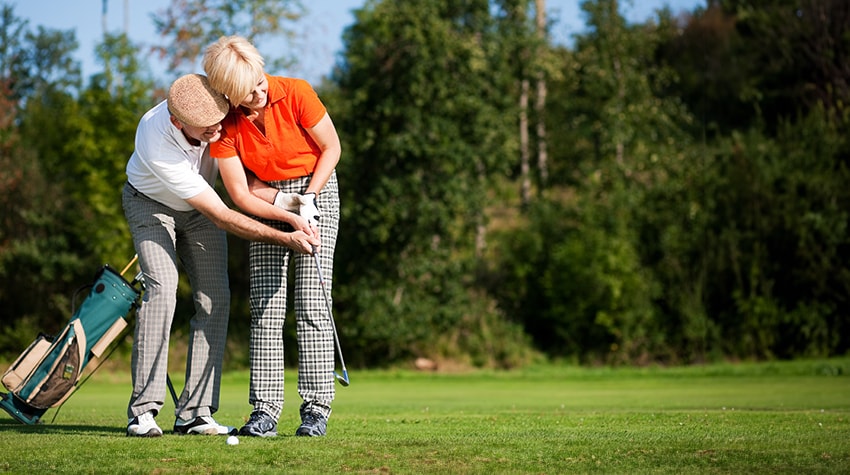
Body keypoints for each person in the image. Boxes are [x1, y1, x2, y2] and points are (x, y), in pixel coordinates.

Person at [123, 73, 320, 438]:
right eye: (206, 127)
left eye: (219, 119)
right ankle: (143, 412)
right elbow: (224, 214)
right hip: (150, 205)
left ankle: (195, 414)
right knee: (163, 291)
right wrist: (284, 236)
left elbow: (247, 182)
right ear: (178, 121)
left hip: (199, 210)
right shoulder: (156, 138)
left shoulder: (220, 114)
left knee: (216, 299)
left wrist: (296, 203)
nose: (218, 128)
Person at [202, 35, 342, 437]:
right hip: (266, 197)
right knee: (266, 305)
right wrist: (287, 209)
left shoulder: (297, 92)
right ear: (229, 93)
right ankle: (265, 410)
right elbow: (240, 194)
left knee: (313, 302)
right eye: (249, 91)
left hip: (317, 187)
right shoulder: (226, 125)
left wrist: (309, 199)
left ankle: (316, 409)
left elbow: (331, 148)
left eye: (261, 82)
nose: (260, 92)